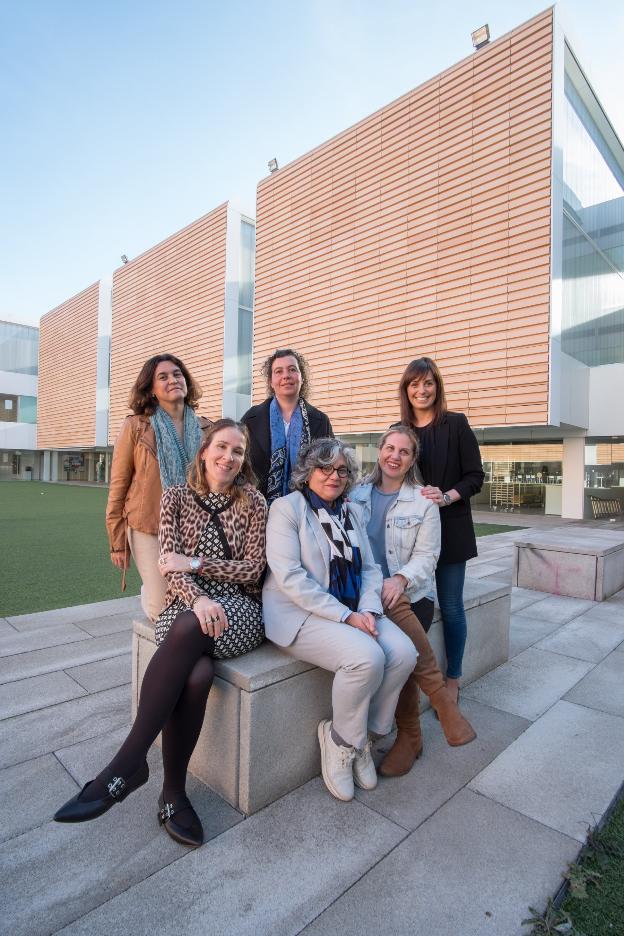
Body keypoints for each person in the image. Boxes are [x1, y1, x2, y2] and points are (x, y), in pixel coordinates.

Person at [55, 420, 267, 848]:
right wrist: (197, 596)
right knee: (197, 673)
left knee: (192, 630)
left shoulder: (254, 503)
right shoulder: (174, 497)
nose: (229, 457)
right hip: (186, 607)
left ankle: (127, 763)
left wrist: (197, 566)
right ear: (204, 451)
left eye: (238, 451)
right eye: (222, 447)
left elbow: (252, 569)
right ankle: (174, 794)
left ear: (244, 460)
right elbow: (167, 568)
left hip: (239, 612)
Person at [262, 437, 417, 802]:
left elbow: (370, 569)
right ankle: (340, 743)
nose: (333, 476)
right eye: (324, 468)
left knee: (404, 653)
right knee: (367, 658)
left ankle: (361, 737)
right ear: (308, 471)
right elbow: (290, 577)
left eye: (341, 470)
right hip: (298, 614)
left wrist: (367, 610)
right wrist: (347, 616)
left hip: (352, 610)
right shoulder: (288, 508)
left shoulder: (349, 512)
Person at [349, 426, 476, 776]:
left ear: (412, 459)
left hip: (410, 592)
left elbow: (427, 556)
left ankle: (410, 735)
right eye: (390, 448)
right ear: (379, 451)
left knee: (402, 642)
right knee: (393, 619)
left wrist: (402, 578)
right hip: (365, 593)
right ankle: (441, 704)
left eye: (404, 451)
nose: (395, 456)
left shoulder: (423, 501)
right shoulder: (355, 495)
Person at [398, 357, 485, 705]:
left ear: (437, 386)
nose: (422, 390)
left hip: (451, 528)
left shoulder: (457, 424)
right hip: (410, 533)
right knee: (408, 603)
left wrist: (446, 496)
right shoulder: (400, 431)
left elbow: (475, 476)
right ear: (406, 390)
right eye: (414, 384)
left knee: (450, 605)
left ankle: (452, 678)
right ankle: (408, 676)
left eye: (428, 383)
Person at [106, 353, 212, 621]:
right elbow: (118, 485)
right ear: (151, 390)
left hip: (194, 527)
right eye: (162, 377)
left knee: (190, 595)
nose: (172, 380)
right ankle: (151, 590)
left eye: (177, 374)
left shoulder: (207, 429)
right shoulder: (135, 427)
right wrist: (117, 542)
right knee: (161, 609)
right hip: (148, 526)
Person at [241, 348, 333, 504]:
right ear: (271, 381)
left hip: (307, 509)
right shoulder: (251, 418)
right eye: (278, 371)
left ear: (301, 377)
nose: (286, 376)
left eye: (292, 370)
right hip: (258, 509)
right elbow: (239, 462)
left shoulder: (320, 420)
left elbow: (331, 465)